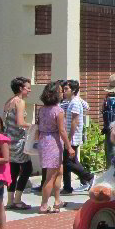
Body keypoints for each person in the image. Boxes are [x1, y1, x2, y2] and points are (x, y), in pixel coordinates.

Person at [36, 82, 74, 213]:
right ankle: (44, 204)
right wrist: (69, 147)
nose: (62, 93)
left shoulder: (41, 109)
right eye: (60, 91)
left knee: (59, 172)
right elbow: (62, 131)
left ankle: (57, 200)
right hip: (53, 143)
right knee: (50, 177)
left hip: (44, 141)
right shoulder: (59, 111)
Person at [3, 77, 33, 210]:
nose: (29, 90)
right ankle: (17, 199)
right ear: (21, 88)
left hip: (7, 141)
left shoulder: (8, 101)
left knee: (13, 170)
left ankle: (10, 200)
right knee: (27, 169)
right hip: (18, 141)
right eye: (28, 87)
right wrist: (33, 126)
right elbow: (20, 122)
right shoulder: (20, 102)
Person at [60, 80, 94, 194]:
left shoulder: (74, 103)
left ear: (73, 90)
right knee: (71, 161)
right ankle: (68, 186)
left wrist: (68, 139)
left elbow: (75, 122)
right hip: (72, 137)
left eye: (66, 89)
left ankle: (89, 177)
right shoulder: (73, 101)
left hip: (73, 137)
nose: (64, 92)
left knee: (68, 163)